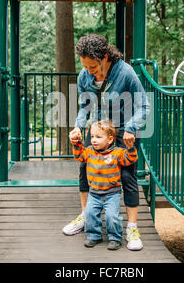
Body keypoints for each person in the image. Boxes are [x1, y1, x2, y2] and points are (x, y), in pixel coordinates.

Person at [62, 34, 149, 251]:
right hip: (100, 130)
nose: (89, 71)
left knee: (128, 176)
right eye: (85, 66)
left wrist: (131, 128)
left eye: (93, 66)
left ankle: (132, 227)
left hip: (124, 130)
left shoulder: (126, 72)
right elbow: (85, 105)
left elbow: (144, 107)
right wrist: (77, 127)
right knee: (85, 169)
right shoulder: (85, 76)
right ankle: (86, 217)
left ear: (106, 57)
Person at [72, 120, 137, 250]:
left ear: (110, 139)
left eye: (98, 137)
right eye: (92, 137)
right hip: (94, 193)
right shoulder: (89, 151)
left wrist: (130, 148)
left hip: (112, 193)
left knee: (111, 216)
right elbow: (79, 156)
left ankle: (115, 238)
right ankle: (94, 235)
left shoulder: (117, 153)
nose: (94, 140)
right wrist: (77, 143)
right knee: (90, 214)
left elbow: (130, 159)